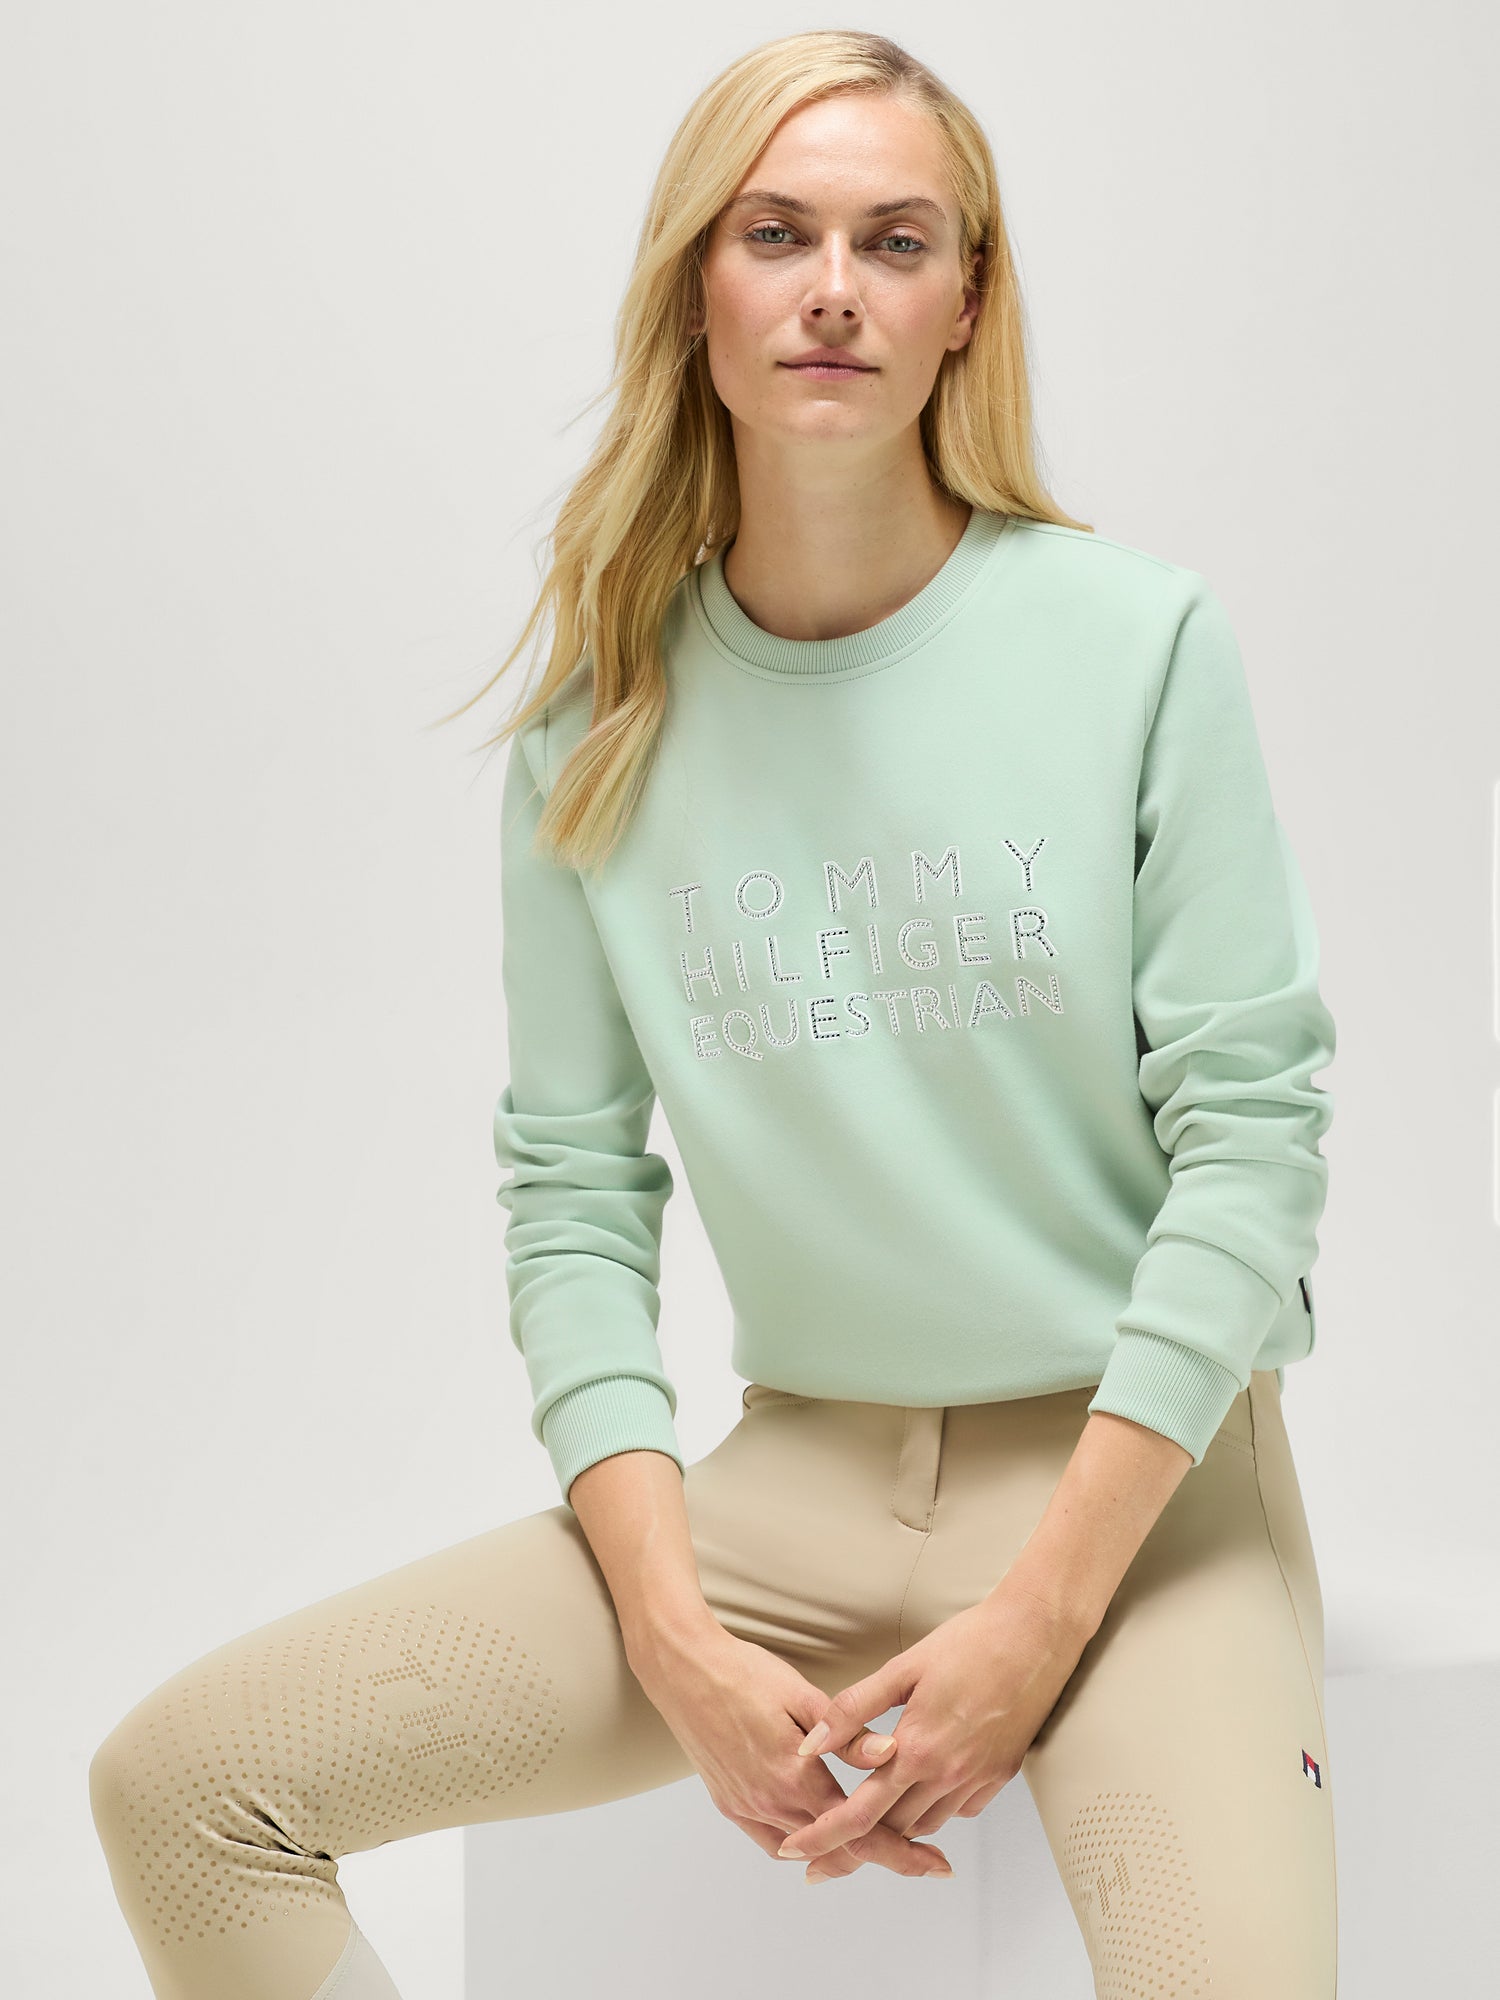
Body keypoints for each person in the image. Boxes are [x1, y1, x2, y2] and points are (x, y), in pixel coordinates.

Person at [88, 29, 1338, 2000]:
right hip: (793, 1492)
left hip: (1143, 1492)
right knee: (186, 1793)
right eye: (777, 234)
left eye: (895, 240)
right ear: (699, 289)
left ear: (966, 302)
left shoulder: (1137, 646)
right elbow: (574, 1199)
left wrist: (1039, 1619)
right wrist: (671, 1634)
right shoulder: (602, 722)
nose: (835, 286)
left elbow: (1252, 1145)